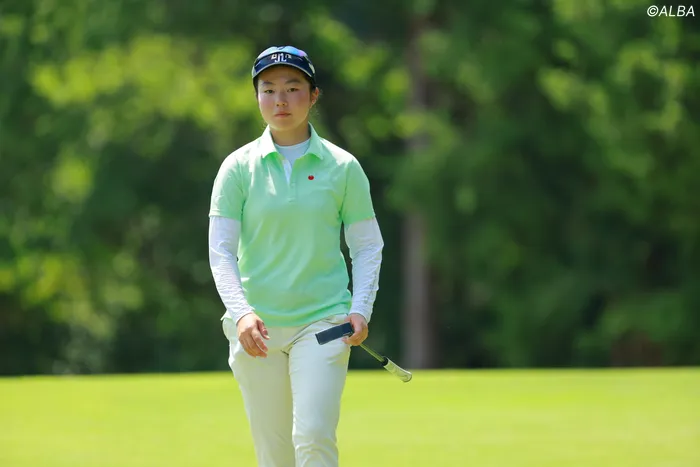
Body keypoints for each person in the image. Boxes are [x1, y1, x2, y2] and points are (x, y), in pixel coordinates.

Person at [208, 45, 384, 467]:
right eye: (268, 90)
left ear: (314, 95)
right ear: (257, 97)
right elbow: (221, 251)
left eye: (292, 88)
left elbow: (366, 245)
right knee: (275, 454)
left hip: (324, 323)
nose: (280, 100)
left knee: (313, 435)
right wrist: (242, 313)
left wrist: (360, 309)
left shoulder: (343, 167)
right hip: (257, 330)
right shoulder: (237, 168)